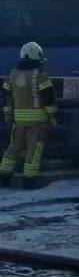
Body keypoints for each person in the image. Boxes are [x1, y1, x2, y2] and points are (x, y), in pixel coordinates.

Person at [0, 42, 57, 188]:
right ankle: (29, 179)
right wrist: (52, 117)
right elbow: (48, 99)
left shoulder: (11, 75)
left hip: (19, 121)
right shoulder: (40, 76)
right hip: (37, 122)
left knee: (14, 147)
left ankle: (4, 175)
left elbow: (6, 98)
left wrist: (7, 116)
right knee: (34, 149)